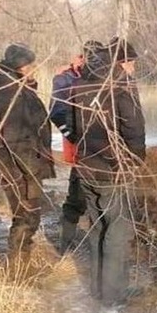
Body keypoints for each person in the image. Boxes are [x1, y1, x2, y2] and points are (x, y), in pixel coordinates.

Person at [65, 38, 146, 304]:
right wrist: (135, 159)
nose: (133, 67)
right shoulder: (121, 85)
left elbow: (72, 127)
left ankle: (99, 289)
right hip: (112, 169)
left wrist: (86, 151)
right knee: (117, 231)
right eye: (131, 62)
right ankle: (113, 296)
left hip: (86, 167)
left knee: (98, 227)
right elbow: (134, 127)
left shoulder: (80, 83)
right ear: (121, 62)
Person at [0, 43, 55, 279]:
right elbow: (15, 139)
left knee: (28, 214)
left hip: (23, 164)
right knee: (26, 215)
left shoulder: (18, 88)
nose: (33, 69)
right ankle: (17, 268)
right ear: (19, 67)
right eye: (29, 65)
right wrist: (31, 171)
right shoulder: (9, 93)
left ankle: (21, 264)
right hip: (19, 167)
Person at [50, 40, 104, 253]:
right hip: (81, 149)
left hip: (103, 150)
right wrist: (75, 137)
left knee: (101, 200)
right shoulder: (65, 79)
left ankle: (99, 246)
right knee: (77, 198)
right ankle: (66, 244)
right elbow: (57, 112)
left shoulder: (104, 76)